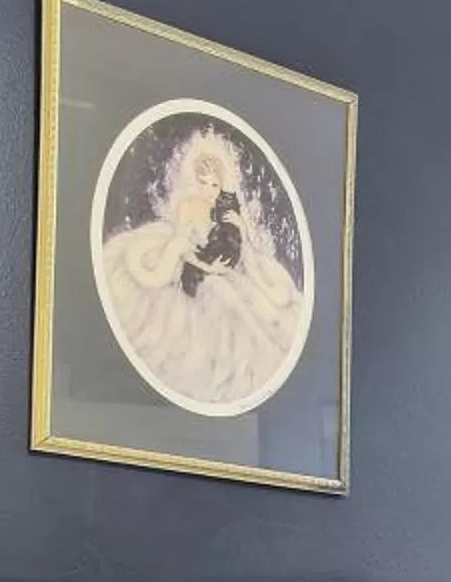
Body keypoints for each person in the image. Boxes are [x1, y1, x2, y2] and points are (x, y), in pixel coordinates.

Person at [96, 122, 309, 414]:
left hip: (218, 268)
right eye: (203, 182)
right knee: (219, 298)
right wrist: (208, 266)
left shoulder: (220, 211)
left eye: (214, 185)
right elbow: (183, 246)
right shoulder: (187, 207)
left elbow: (242, 247)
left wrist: (239, 228)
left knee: (244, 307)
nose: (209, 190)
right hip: (192, 268)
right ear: (192, 180)